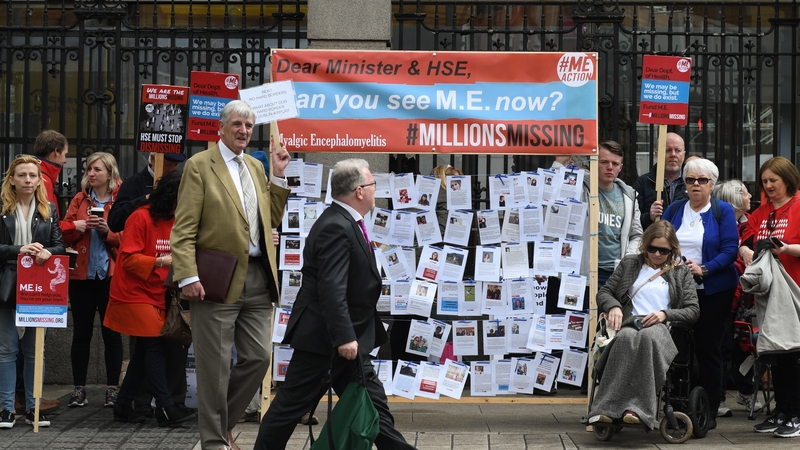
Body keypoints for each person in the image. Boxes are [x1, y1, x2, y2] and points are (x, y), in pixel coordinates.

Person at [254, 158, 415, 450]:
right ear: (359, 191)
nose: (376, 190)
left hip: (349, 339)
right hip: (325, 341)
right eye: (373, 184)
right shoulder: (335, 226)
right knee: (289, 408)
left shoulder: (348, 222)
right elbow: (331, 288)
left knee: (374, 407)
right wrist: (344, 336)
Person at [170, 100, 290, 450]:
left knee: (258, 358)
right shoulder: (199, 166)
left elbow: (271, 218)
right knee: (215, 368)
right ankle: (213, 442)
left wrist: (279, 176)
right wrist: (187, 275)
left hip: (257, 278)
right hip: (215, 281)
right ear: (221, 128)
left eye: (249, 126)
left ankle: (221, 426)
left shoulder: (255, 165)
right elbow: (184, 228)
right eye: (237, 124)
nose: (243, 131)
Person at [103, 171, 195, 426]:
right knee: (154, 347)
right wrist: (161, 261)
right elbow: (129, 259)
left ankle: (123, 405)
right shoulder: (140, 217)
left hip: (156, 292)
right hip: (133, 293)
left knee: (144, 352)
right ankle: (165, 407)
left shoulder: (177, 219)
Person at [588, 221, 699, 430]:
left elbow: (693, 310)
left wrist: (665, 314)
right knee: (624, 339)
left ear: (672, 249)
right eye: (652, 248)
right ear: (644, 245)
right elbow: (604, 292)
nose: (657, 254)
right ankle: (605, 409)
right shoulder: (630, 263)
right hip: (631, 322)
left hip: (663, 328)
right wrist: (614, 307)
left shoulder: (680, 272)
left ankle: (638, 410)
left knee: (647, 340)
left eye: (663, 250)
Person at [661, 158, 739, 428]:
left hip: (714, 290)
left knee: (708, 347)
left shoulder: (723, 211)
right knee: (678, 346)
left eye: (701, 180)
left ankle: (711, 407)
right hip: (679, 291)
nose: (695, 185)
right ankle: (679, 401)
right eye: (690, 179)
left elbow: (730, 250)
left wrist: (704, 269)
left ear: (712, 184)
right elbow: (660, 240)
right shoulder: (674, 209)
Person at [0, 156, 65, 429]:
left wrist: (50, 251)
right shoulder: (2, 209)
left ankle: (33, 406)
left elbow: (61, 246)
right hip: (7, 285)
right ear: (11, 179)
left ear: (40, 180)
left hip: (39, 289)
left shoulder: (48, 209)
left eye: (32, 175)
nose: (27, 180)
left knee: (34, 351)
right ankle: (6, 409)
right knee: (6, 349)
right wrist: (18, 250)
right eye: (22, 175)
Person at [739, 156, 800, 437]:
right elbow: (746, 240)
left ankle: (795, 414)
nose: (768, 185)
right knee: (775, 354)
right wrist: (747, 251)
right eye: (764, 181)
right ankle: (782, 411)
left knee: (793, 354)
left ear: (787, 179)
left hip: (793, 290)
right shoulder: (761, 212)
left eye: (773, 180)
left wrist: (786, 249)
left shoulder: (798, 206)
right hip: (768, 295)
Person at [62, 152, 123, 409]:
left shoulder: (120, 199)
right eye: (89, 169)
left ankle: (112, 389)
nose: (91, 173)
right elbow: (62, 232)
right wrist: (80, 225)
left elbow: (128, 237)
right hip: (82, 276)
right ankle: (79, 389)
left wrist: (107, 232)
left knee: (112, 334)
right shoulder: (80, 199)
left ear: (109, 173)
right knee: (81, 334)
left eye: (97, 169)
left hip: (109, 276)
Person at [24, 130, 72, 414]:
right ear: (55, 152)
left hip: (34, 260)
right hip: (35, 265)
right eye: (65, 153)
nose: (66, 159)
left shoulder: (41, 175)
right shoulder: (42, 179)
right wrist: (72, 228)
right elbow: (46, 222)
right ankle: (28, 397)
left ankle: (28, 396)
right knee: (29, 338)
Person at [713, 179, 761, 415]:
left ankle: (746, 392)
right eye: (745, 192)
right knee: (723, 347)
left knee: (745, 347)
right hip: (727, 295)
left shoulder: (748, 225)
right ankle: (719, 398)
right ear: (733, 198)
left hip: (747, 298)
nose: (750, 195)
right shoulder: (720, 225)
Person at [596, 140, 643, 288]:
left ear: (620, 167)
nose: (609, 167)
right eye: (604, 162)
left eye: (615, 164)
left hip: (615, 273)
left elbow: (636, 234)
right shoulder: (582, 190)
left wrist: (626, 261)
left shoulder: (629, 195)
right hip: (585, 271)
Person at [107, 152, 186, 232]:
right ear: (152, 159)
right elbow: (115, 222)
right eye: (167, 165)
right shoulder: (133, 183)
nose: (172, 169)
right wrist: (144, 199)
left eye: (175, 165)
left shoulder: (180, 183)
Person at [633, 132, 688, 230]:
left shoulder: (692, 183)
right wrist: (649, 216)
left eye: (678, 150)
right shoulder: (643, 183)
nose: (673, 155)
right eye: (667, 150)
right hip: (654, 242)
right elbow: (632, 223)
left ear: (684, 154)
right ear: (657, 153)